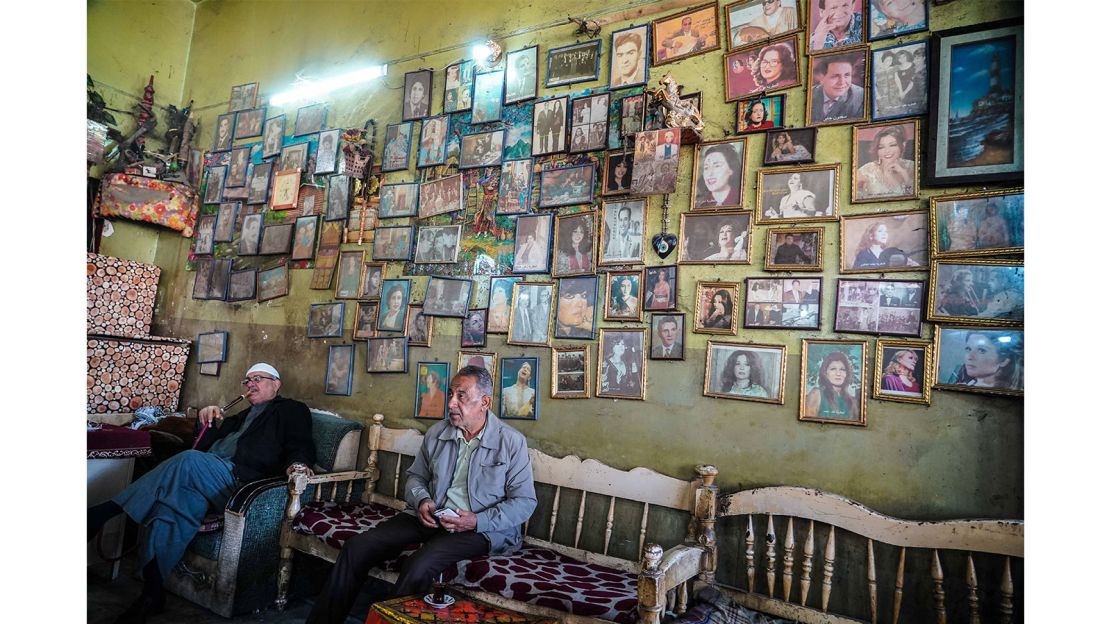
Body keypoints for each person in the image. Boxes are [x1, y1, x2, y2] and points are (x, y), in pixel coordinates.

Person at [308, 367, 536, 623]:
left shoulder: (511, 442)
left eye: (461, 396)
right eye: (451, 394)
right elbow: (416, 477)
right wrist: (422, 501)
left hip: (480, 529)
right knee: (358, 547)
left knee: (419, 565)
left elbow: (524, 502)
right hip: (431, 516)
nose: (451, 403)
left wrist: (475, 520)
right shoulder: (438, 433)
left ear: (484, 401)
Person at [88, 364, 314, 623]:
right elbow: (205, 440)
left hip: (238, 481)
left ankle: (105, 512)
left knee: (188, 460)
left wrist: (298, 464)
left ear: (276, 384)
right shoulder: (240, 416)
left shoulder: (290, 410)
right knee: (170, 511)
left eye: (259, 379)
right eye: (247, 380)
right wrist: (205, 418)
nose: (251, 384)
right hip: (206, 477)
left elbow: (300, 443)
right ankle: (151, 595)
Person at [946, 332, 1022, 390]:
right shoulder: (960, 381)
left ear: (1004, 360)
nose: (969, 357)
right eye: (968, 349)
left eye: (982, 350)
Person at [855, 127, 914, 199]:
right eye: (881, 147)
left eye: (892, 145)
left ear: (903, 145)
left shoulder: (911, 166)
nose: (887, 151)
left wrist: (904, 173)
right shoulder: (867, 170)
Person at [809, 54, 865, 123]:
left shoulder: (861, 97)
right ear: (821, 78)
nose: (842, 82)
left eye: (847, 75)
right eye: (835, 76)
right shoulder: (809, 96)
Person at [805, 351, 858, 419]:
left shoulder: (851, 401)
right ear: (825, 372)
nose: (838, 373)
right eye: (833, 369)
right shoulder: (816, 394)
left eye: (842, 369)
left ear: (846, 373)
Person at [852, 222, 917, 269]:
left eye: (886, 231)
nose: (884, 234)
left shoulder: (889, 253)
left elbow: (912, 264)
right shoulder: (862, 254)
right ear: (871, 236)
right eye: (880, 231)